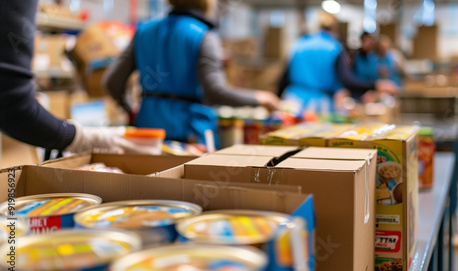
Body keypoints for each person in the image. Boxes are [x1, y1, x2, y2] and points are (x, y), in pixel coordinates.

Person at [103, 0, 280, 146]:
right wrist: (259, 98)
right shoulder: (204, 35)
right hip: (189, 138)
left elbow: (112, 82)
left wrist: (131, 111)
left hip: (146, 137)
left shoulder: (143, 32)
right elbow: (216, 92)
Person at [0, 0, 151, 156]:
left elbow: (112, 82)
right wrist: (84, 138)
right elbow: (11, 101)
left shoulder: (145, 32)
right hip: (156, 134)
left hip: (147, 121)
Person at [278, 12, 398, 113]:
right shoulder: (334, 47)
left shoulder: (299, 44)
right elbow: (347, 80)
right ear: (336, 30)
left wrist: (278, 101)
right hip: (318, 105)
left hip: (292, 100)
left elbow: (284, 77)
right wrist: (376, 85)